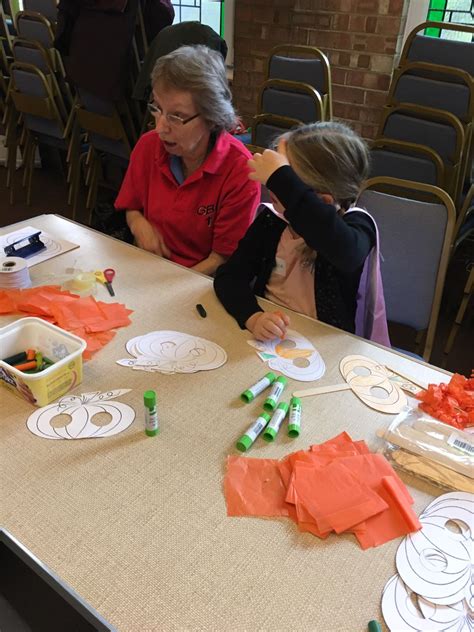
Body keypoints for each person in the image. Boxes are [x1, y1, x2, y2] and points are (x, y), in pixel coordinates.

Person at [214, 121, 390, 345]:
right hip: (269, 341)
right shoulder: (272, 221)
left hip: (328, 347)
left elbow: (343, 250)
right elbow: (229, 277)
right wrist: (253, 316)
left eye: (286, 183)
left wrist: (281, 179)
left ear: (324, 199)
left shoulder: (356, 227)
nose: (272, 188)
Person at [115, 45, 260, 275]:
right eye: (158, 109)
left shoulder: (240, 170)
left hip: (201, 282)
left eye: (177, 116)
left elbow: (221, 259)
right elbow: (132, 207)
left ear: (212, 118)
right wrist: (138, 225)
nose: (161, 127)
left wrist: (169, 288)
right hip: (147, 269)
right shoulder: (148, 146)